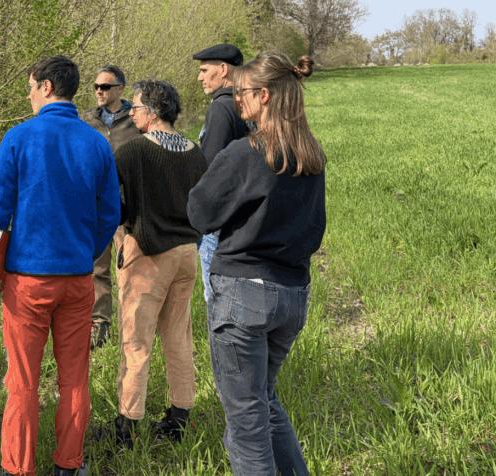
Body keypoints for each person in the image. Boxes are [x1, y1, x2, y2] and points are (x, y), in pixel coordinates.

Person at [186, 52, 326, 476]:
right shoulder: (310, 156)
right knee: (264, 404)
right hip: (292, 296)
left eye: (241, 93)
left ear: (264, 96)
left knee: (246, 426)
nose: (236, 101)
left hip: (243, 296)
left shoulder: (243, 153)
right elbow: (314, 229)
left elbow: (200, 213)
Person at [0, 55, 120, 476]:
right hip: (78, 280)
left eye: (29, 86)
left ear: (45, 86)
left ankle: (17, 468)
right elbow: (110, 213)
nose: (27, 94)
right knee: (75, 377)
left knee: (22, 381)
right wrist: (85, 251)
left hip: (27, 280)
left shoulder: (18, 138)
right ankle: (68, 464)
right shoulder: (96, 141)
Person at [108, 79, 206, 449]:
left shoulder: (133, 152)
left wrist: (119, 231)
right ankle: (180, 418)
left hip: (148, 254)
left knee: (137, 342)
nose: (131, 114)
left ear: (152, 111)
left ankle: (127, 426)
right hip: (187, 254)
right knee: (179, 337)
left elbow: (109, 200)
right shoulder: (196, 153)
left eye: (135, 108)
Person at [79, 65, 143, 349]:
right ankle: (100, 325)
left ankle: (135, 325)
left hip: (132, 207)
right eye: (95, 87)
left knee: (132, 267)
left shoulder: (136, 119)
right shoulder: (86, 121)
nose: (99, 92)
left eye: (105, 87)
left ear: (120, 89)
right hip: (97, 207)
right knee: (97, 268)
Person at [192, 43, 252, 304]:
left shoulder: (221, 107)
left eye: (205, 70)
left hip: (220, 226)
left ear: (223, 69)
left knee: (218, 302)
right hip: (249, 220)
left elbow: (210, 169)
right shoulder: (249, 104)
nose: (200, 77)